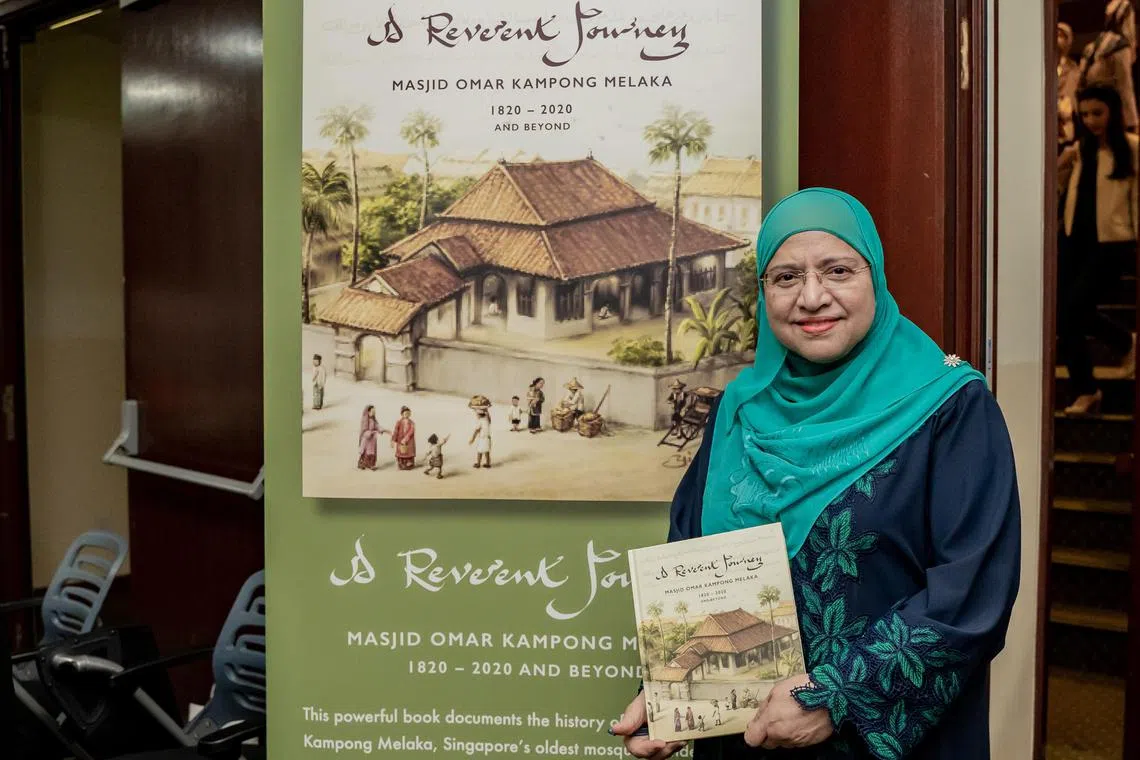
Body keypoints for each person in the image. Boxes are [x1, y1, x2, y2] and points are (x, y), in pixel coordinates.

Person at [611, 189, 1021, 760]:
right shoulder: (740, 413)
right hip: (746, 739)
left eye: (837, 270)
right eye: (785, 277)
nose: (811, 296)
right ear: (763, 293)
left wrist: (835, 697)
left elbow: (972, 592)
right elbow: (696, 561)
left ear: (873, 277)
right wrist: (675, 697)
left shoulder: (949, 409)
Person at [1058, 84, 1138, 415]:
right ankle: (1088, 388)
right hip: (1076, 240)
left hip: (1113, 243)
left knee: (1074, 308)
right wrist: (1062, 163)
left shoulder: (1131, 149)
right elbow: (1061, 194)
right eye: (1085, 113)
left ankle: (1120, 347)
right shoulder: (1080, 151)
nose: (1091, 120)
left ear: (1113, 113)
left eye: (1098, 112)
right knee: (1066, 315)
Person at [357, 406, 387, 471]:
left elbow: (377, 426)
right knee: (366, 452)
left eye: (374, 412)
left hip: (372, 439)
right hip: (366, 439)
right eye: (372, 411)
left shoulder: (373, 420)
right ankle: (362, 463)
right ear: (368, 412)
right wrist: (369, 433)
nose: (373, 413)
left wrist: (382, 429)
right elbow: (364, 430)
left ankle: (371, 464)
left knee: (372, 452)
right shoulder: (365, 420)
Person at [469, 395, 493, 468]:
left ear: (479, 415)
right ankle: (488, 463)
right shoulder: (486, 420)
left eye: (477, 414)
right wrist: (487, 411)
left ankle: (478, 463)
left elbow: (476, 431)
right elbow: (490, 419)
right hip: (488, 438)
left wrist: (472, 439)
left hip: (482, 438)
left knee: (479, 451)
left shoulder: (480, 421)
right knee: (487, 452)